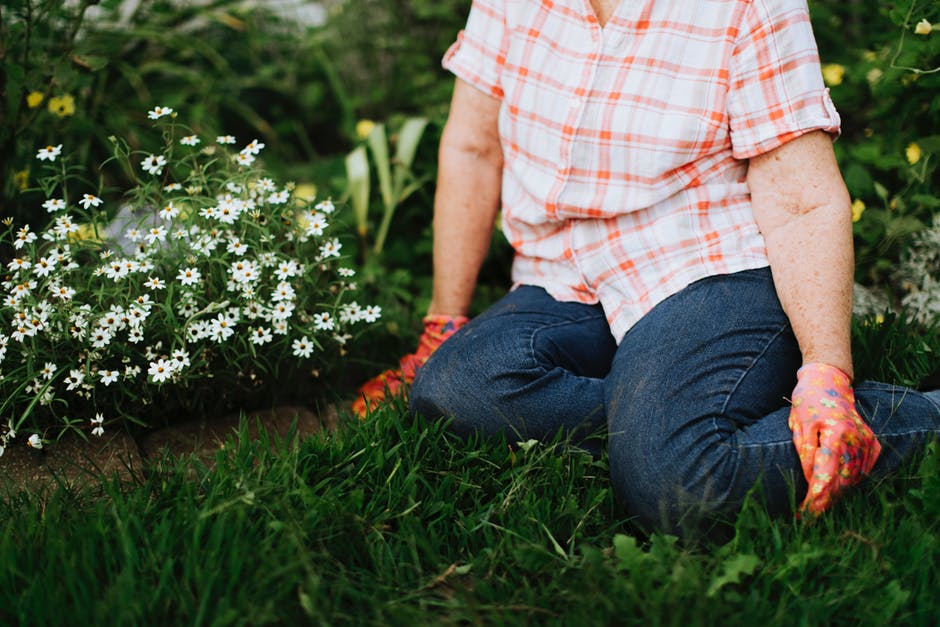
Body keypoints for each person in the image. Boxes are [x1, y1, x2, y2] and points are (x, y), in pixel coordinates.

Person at [353, 0, 940, 536]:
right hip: (564, 275)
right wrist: (444, 322)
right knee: (455, 389)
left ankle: (917, 417)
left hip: (703, 266)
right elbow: (473, 148)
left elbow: (801, 199)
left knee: (680, 490)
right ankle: (672, 420)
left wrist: (825, 372)